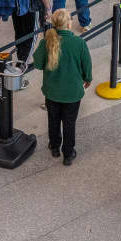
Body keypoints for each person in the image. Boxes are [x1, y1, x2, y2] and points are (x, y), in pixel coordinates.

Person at [32, 9, 92, 165]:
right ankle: (68, 153)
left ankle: (54, 146)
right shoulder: (79, 43)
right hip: (72, 93)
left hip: (52, 93)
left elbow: (37, 64)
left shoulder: (47, 41)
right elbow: (87, 65)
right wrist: (88, 78)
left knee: (53, 120)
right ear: (69, 24)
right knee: (69, 123)